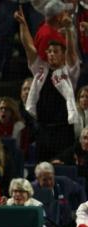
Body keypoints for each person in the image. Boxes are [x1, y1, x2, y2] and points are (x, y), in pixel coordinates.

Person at [16, 6, 79, 162]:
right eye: (49, 51)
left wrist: (70, 31)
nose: (51, 54)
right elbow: (28, 48)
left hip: (63, 131)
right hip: (43, 130)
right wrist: (23, 24)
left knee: (63, 169)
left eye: (55, 51)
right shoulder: (41, 70)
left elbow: (71, 54)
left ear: (62, 55)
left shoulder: (69, 73)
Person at [32, 161, 86, 227]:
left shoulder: (64, 182)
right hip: (44, 226)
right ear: (38, 179)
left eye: (50, 178)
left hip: (66, 225)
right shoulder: (32, 189)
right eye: (44, 180)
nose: (49, 182)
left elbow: (80, 189)